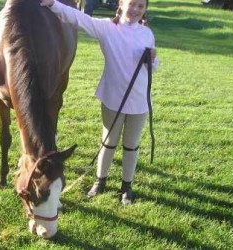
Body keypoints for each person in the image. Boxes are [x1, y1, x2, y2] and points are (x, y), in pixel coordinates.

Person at [40, 0, 159, 205]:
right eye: (132, 4)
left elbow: (153, 67)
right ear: (121, 4)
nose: (136, 10)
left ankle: (126, 186)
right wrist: (53, 4)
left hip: (139, 100)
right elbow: (79, 18)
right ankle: (100, 181)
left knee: (131, 145)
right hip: (113, 97)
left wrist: (153, 59)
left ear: (145, 9)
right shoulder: (107, 28)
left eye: (141, 6)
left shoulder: (147, 33)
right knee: (108, 141)